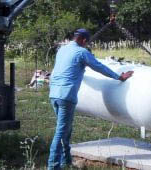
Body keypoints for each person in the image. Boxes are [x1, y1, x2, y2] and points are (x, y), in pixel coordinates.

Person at [48, 28, 134, 170]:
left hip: (54, 94)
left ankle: (66, 161)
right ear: (84, 40)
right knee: (61, 131)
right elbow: (99, 67)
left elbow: (67, 68)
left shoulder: (62, 50)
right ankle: (53, 166)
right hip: (66, 95)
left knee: (66, 130)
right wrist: (119, 77)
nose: (87, 45)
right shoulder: (82, 52)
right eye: (87, 43)